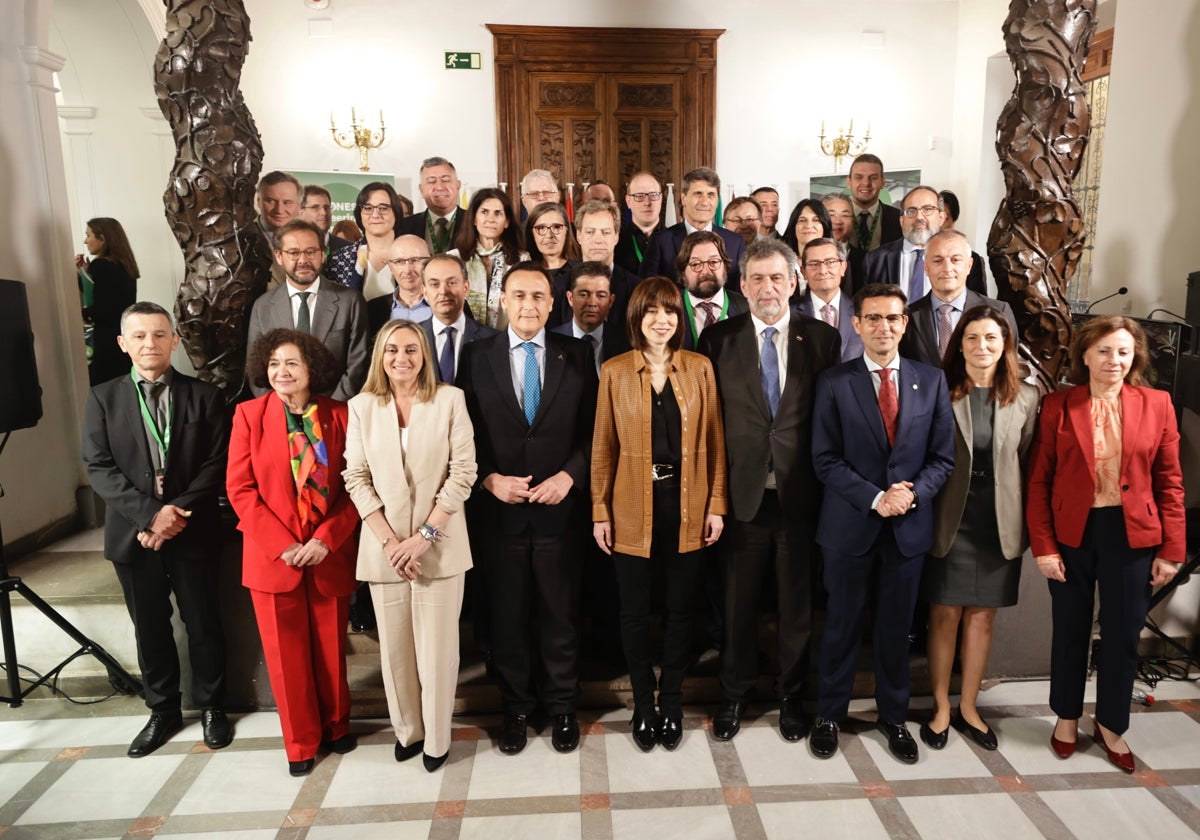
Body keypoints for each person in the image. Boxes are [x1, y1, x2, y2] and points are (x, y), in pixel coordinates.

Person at [1027, 316, 1185, 773]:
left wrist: (1172, 549)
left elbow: (1170, 483)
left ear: (1134, 356)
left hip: (1134, 535)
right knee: (1070, 631)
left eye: (1122, 351)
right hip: (1072, 534)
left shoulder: (1157, 404)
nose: (1113, 360)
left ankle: (1112, 723)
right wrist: (1044, 546)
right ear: (1085, 356)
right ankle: (1066, 717)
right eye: (1103, 351)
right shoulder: (1058, 405)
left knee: (1122, 635)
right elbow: (1039, 482)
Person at [698, 238, 841, 743]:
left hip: (802, 498)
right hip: (742, 498)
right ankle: (733, 695)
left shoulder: (822, 339)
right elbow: (708, 426)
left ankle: (789, 696)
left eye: (777, 277)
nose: (767, 288)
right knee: (737, 603)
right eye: (756, 278)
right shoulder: (717, 340)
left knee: (796, 603)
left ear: (794, 281)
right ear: (741, 286)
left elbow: (831, 421)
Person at [809, 283, 955, 765]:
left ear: (905, 323)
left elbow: (942, 459)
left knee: (895, 631)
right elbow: (825, 460)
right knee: (841, 627)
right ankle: (829, 714)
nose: (883, 327)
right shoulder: (834, 381)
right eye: (872, 318)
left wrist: (908, 494)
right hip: (849, 527)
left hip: (907, 529)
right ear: (856, 324)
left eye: (892, 318)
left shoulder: (930, 380)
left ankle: (893, 717)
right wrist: (876, 498)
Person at [457, 262, 597, 756]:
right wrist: (489, 479)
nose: (529, 305)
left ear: (554, 302)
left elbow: (593, 430)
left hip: (561, 513)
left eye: (539, 296)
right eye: (519, 295)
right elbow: (463, 433)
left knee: (561, 615)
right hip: (501, 514)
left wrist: (569, 476)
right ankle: (515, 708)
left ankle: (562, 707)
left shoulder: (578, 353)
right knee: (509, 617)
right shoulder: (476, 356)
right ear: (501, 300)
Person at [82, 302, 231, 758]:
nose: (151, 343)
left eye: (160, 334)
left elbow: (216, 464)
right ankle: (162, 710)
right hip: (133, 535)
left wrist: (174, 514)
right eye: (140, 336)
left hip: (192, 529)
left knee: (203, 621)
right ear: (123, 344)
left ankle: (212, 706)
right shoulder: (102, 398)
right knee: (149, 626)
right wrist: (150, 516)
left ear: (175, 341)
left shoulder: (204, 395)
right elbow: (99, 467)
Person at [592, 276, 727, 752]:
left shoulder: (699, 368)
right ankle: (644, 707)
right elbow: (603, 448)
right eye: (651, 312)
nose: (661, 320)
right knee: (633, 613)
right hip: (630, 506)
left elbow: (714, 443)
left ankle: (671, 701)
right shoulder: (613, 370)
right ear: (636, 318)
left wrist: (716, 504)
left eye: (669, 311)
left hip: (688, 505)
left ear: (679, 318)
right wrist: (599, 511)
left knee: (680, 610)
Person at [343, 320, 477, 773]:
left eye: (412, 350)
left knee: (438, 652)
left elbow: (464, 472)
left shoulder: (449, 400)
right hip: (385, 549)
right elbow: (355, 476)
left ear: (425, 355)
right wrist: (389, 540)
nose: (402, 358)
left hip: (437, 545)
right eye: (393, 349)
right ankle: (409, 731)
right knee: (395, 651)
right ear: (380, 355)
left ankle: (437, 740)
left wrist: (424, 537)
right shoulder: (361, 406)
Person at [226, 329, 360, 777]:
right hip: (273, 557)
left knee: (329, 649)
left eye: (292, 364)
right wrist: (284, 545)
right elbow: (240, 490)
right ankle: (300, 742)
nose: (281, 372)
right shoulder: (249, 415)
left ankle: (336, 726)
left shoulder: (340, 415)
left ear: (311, 370)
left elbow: (357, 484)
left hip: (328, 551)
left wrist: (326, 538)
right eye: (274, 364)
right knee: (286, 657)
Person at [920, 306, 1039, 753]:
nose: (982, 346)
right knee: (945, 614)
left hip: (997, 520)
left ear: (1005, 344)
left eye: (991, 338)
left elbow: (1026, 460)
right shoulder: (939, 389)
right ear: (960, 345)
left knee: (983, 616)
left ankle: (969, 706)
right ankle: (940, 707)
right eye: (972, 338)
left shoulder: (1027, 397)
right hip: (950, 518)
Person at [245, 219, 370, 402]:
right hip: (280, 416)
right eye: (294, 253)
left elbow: (358, 366)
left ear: (322, 254)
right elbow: (255, 371)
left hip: (335, 413)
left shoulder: (350, 302)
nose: (303, 260)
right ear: (279, 256)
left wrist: (327, 410)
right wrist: (283, 411)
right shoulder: (262, 307)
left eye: (311, 252)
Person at [900, 231, 1016, 367]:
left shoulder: (999, 311)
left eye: (955, 260)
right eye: (938, 261)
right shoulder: (908, 316)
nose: (947, 268)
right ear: (926, 267)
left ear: (969, 265)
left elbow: (1009, 367)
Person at [643, 167, 746, 291]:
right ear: (684, 198)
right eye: (698, 194)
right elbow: (647, 292)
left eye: (711, 195)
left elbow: (741, 293)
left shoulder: (736, 242)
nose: (704, 202)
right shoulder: (660, 242)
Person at [448, 187, 526, 330]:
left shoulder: (522, 259)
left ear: (507, 222)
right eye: (484, 212)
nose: (491, 219)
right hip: (464, 336)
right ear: (474, 219)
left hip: (507, 337)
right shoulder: (453, 259)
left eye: (498, 213)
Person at [77, 217, 139, 385]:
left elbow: (102, 309)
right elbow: (116, 303)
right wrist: (86, 275)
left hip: (106, 343)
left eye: (88, 235)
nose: (85, 240)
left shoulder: (101, 265)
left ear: (102, 239)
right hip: (124, 339)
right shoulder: (127, 265)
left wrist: (79, 314)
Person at [418, 253, 498, 383]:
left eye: (452, 282)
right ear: (424, 291)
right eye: (434, 284)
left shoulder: (493, 341)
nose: (443, 291)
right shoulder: (411, 337)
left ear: (466, 288)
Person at [861, 185, 944, 302]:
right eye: (911, 211)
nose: (919, 217)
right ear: (901, 220)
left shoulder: (963, 260)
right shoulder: (875, 260)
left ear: (941, 217)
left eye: (927, 209)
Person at [327, 182, 405, 298]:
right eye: (368, 208)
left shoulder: (415, 256)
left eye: (383, 208)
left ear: (396, 212)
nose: (375, 215)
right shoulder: (338, 260)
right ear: (360, 214)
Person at [551, 262, 631, 374]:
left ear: (611, 301)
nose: (592, 303)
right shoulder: (551, 342)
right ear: (570, 298)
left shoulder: (627, 344)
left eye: (601, 295)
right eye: (583, 294)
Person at [676, 231, 748, 351]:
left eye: (713, 262)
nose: (705, 271)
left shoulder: (746, 308)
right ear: (683, 271)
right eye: (696, 264)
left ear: (725, 266)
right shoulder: (667, 307)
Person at [795, 238, 863, 361]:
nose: (822, 271)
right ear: (803, 271)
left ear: (843, 267)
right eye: (814, 264)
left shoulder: (862, 312)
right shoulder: (789, 313)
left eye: (830, 262)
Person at [367, 235, 433, 336]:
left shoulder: (450, 305)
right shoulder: (372, 310)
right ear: (390, 267)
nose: (408, 270)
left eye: (415, 260)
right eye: (399, 262)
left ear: (430, 262)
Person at [398, 157, 466, 253]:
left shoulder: (474, 222)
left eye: (446, 180)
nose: (439, 187)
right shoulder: (404, 226)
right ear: (421, 189)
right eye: (431, 181)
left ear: (458, 185)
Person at [525, 201, 580, 313]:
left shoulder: (581, 272)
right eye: (541, 228)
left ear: (566, 230)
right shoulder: (524, 272)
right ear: (532, 233)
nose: (549, 235)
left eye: (556, 227)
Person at [845, 154, 902, 252]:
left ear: (883, 182)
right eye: (859, 177)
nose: (866, 183)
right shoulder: (833, 218)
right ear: (849, 182)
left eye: (873, 178)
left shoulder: (898, 218)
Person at [614, 171, 664, 276]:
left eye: (653, 195)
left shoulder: (679, 242)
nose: (647, 203)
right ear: (628, 201)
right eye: (639, 196)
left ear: (661, 198)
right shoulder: (616, 243)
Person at [780, 199, 833, 265]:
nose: (808, 226)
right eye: (802, 220)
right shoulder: (780, 263)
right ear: (794, 226)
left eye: (816, 220)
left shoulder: (838, 264)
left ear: (825, 225)